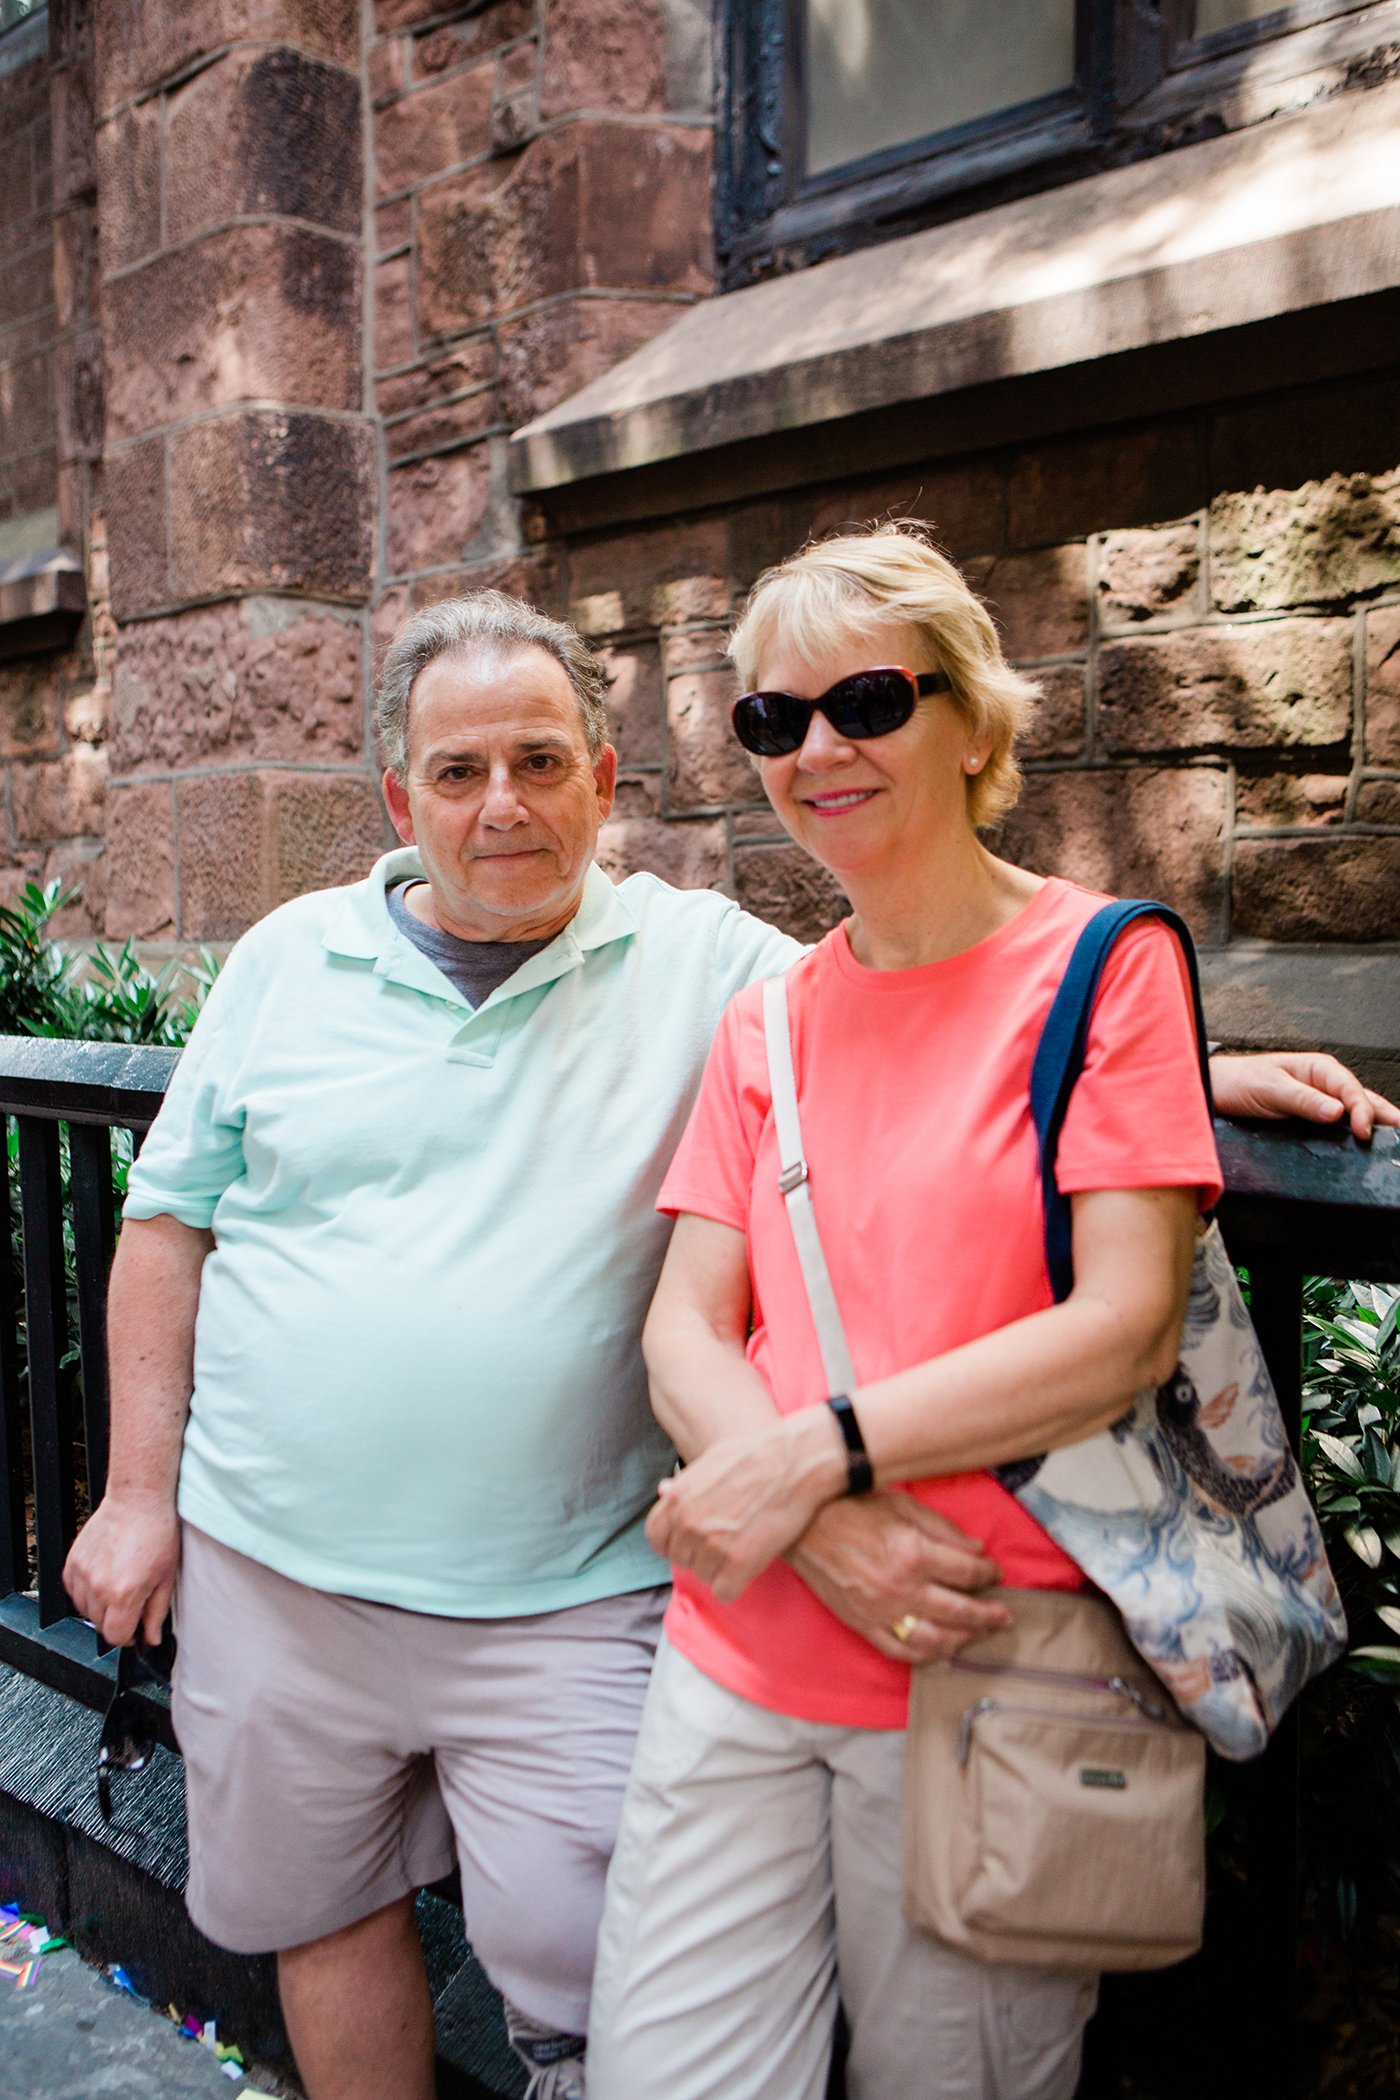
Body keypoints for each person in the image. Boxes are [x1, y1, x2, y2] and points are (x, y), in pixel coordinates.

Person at [61, 582, 1394, 2100]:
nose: (504, 805)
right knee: (325, 1917)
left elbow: (962, 999)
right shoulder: (287, 959)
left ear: (606, 781)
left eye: (543, 762)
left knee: (591, 1990)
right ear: (399, 796)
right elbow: (166, 1225)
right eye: (458, 771)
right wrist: (134, 1495)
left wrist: (1188, 1070)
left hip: (577, 1600)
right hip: (277, 1571)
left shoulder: (711, 966)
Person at [585, 524, 1371, 2100]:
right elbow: (687, 1326)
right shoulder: (768, 1022)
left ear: (970, 719)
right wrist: (822, 1521)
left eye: (865, 699)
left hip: (993, 1674)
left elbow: (1125, 1324)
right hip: (737, 1659)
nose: (818, 748)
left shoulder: (1109, 968)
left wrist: (810, 1461)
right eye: (772, 719)